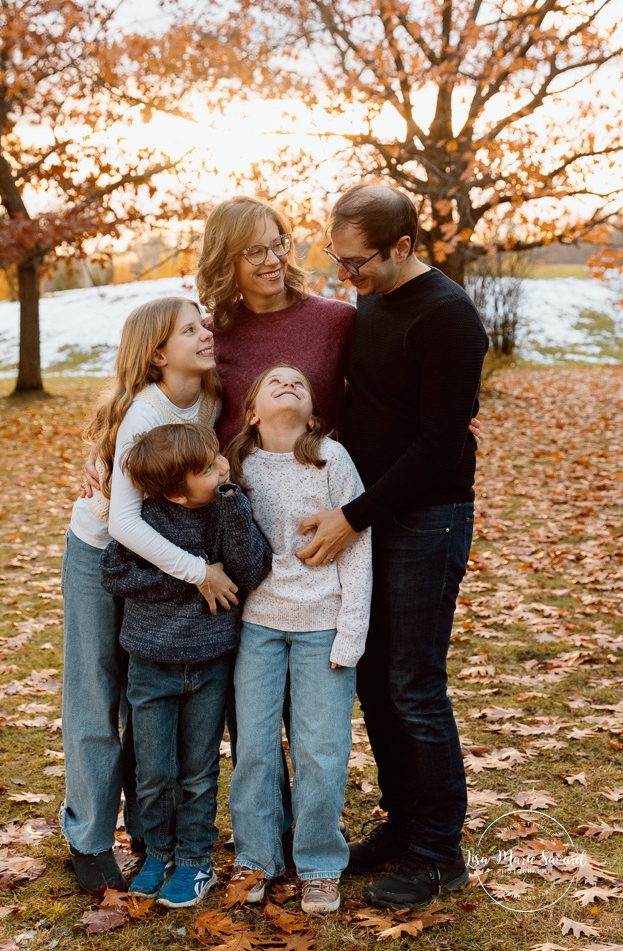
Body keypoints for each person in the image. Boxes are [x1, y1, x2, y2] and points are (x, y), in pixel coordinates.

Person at [295, 184, 489, 908]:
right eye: (340, 263)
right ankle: (402, 827)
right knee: (374, 680)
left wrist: (354, 515)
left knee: (412, 685)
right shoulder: (370, 300)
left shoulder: (448, 317)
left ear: (403, 245)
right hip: (372, 514)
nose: (348, 279)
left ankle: (440, 855)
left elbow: (441, 444)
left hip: (425, 519)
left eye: (359, 264)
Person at [61, 295, 237, 895]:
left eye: (202, 322)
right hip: (102, 548)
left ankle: (151, 836)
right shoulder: (144, 412)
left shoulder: (211, 397)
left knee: (148, 688)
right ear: (158, 353)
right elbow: (124, 525)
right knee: (96, 688)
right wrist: (200, 572)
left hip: (163, 559)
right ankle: (88, 839)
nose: (204, 332)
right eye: (189, 329)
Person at [99, 423, 272, 907]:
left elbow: (252, 570)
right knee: (154, 770)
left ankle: (195, 860)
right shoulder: (146, 520)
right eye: (207, 467)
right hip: (150, 665)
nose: (223, 466)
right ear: (177, 491)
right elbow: (116, 574)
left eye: (218, 457)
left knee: (197, 770)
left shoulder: (227, 510)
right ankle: (157, 851)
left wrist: (236, 512)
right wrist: (194, 576)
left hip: (210, 664)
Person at [223, 365, 372, 915]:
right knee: (254, 750)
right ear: (253, 412)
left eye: (299, 384)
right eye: (274, 382)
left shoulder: (332, 459)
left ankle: (318, 865)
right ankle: (256, 859)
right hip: (257, 627)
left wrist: (350, 633)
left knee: (321, 751)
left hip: (323, 626)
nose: (288, 383)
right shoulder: (236, 466)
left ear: (313, 413)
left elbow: (358, 547)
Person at [196, 195, 356, 446]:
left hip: (318, 478)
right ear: (225, 261)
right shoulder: (208, 334)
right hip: (232, 483)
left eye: (278, 244)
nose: (273, 260)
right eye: (255, 252)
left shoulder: (336, 321)